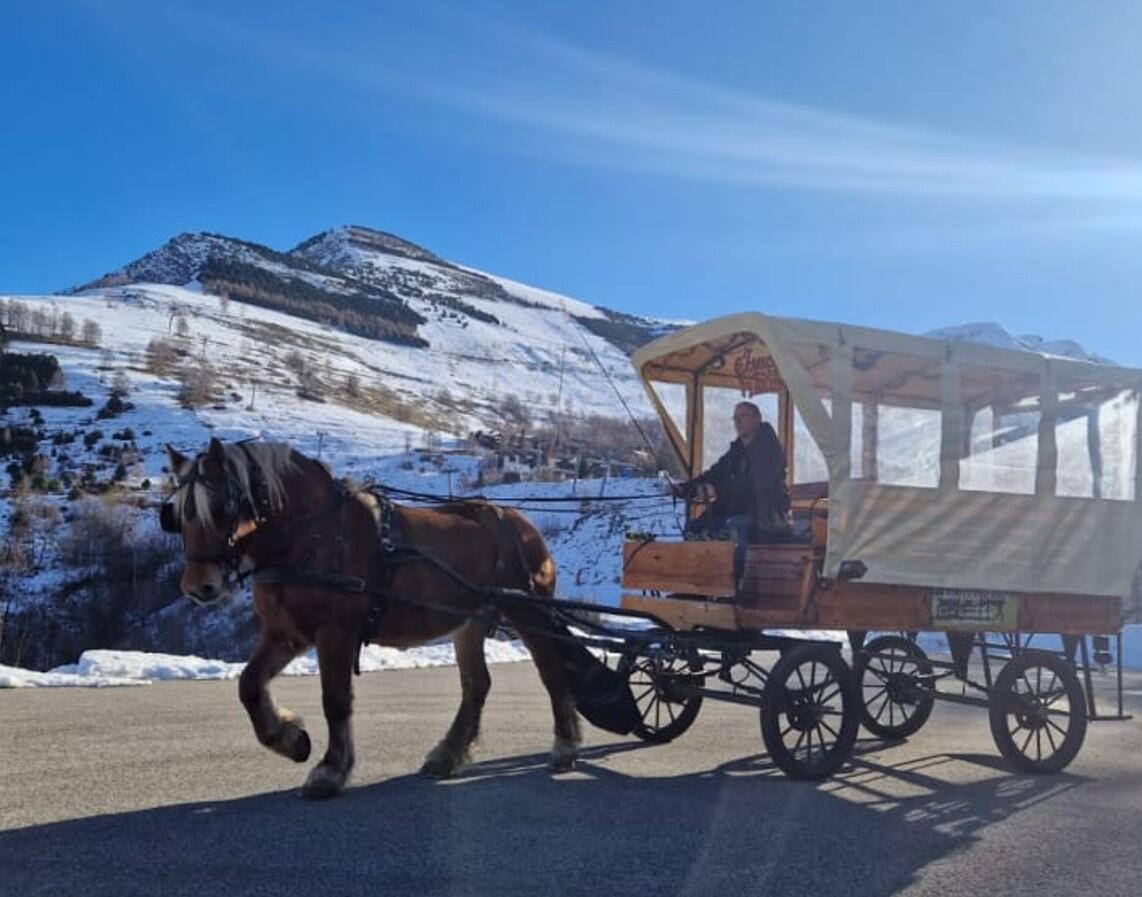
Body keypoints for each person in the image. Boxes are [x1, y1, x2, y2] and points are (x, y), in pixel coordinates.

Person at [668, 401, 792, 591]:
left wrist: (716, 490)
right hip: (738, 511)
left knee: (735, 528)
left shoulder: (769, 448)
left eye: (743, 416)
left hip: (766, 514)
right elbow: (714, 473)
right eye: (735, 418)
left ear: (757, 419)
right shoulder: (737, 450)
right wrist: (684, 488)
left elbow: (753, 483)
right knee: (695, 527)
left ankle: (733, 590)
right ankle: (697, 587)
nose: (737, 422)